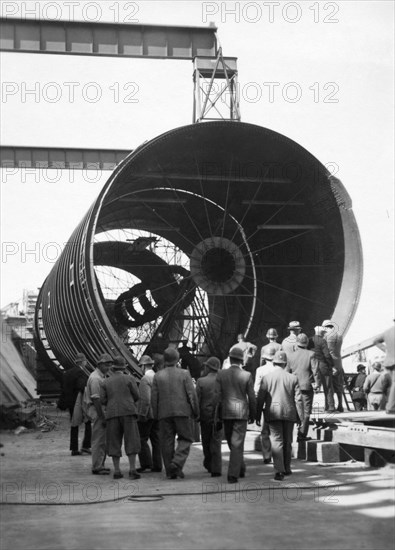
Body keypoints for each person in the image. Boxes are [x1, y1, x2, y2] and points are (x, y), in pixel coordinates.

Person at [151, 347, 199, 479]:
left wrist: (155, 415)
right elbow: (192, 394)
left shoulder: (157, 376)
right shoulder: (184, 374)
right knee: (186, 438)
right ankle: (177, 463)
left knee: (166, 442)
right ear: (177, 359)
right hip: (182, 412)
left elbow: (154, 398)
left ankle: (170, 471)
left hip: (163, 413)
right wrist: (196, 411)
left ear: (164, 359)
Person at [256, 351, 303, 481]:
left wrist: (257, 414)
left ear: (274, 362)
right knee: (288, 441)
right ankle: (287, 468)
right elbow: (298, 400)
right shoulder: (293, 378)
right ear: (285, 363)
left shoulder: (267, 378)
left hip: (273, 413)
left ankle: (279, 470)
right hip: (289, 413)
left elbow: (261, 398)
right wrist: (300, 417)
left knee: (277, 441)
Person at [215, 345, 256, 484]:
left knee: (233, 444)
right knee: (237, 444)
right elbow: (252, 396)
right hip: (241, 412)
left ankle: (233, 473)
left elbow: (217, 396)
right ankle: (238, 469)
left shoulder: (220, 374)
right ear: (241, 360)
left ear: (230, 358)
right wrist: (254, 414)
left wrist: (217, 415)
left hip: (226, 412)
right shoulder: (246, 375)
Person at [101, 356, 141, 480]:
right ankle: (132, 469)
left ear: (113, 367)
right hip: (128, 411)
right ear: (124, 367)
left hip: (112, 413)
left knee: (114, 441)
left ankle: (117, 470)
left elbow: (102, 399)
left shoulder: (105, 381)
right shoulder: (130, 379)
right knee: (131, 440)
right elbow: (137, 395)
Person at [84, 353, 114, 475]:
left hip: (99, 410)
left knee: (102, 440)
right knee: (98, 440)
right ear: (100, 364)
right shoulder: (96, 378)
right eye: (107, 365)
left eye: (110, 365)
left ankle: (100, 464)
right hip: (98, 411)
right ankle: (97, 466)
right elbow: (96, 399)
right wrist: (102, 417)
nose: (109, 367)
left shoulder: (101, 376)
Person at [287, 333, 319, 441]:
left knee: (295, 409)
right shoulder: (311, 354)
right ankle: (302, 435)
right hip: (306, 387)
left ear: (297, 343)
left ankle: (293, 432)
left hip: (293, 386)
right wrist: (317, 384)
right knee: (306, 411)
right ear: (307, 343)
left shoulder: (290, 355)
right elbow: (315, 371)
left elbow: (287, 372)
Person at [196, 357, 223, 477]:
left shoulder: (201, 381)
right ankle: (216, 468)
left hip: (205, 416)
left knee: (206, 441)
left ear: (208, 367)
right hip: (219, 416)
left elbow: (197, 400)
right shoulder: (223, 380)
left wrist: (196, 415)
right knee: (216, 442)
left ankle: (209, 463)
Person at [61, 352, 91, 456]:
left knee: (74, 424)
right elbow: (81, 386)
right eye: (85, 361)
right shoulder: (81, 372)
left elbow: (63, 388)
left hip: (70, 402)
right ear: (83, 362)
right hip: (79, 401)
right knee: (88, 421)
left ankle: (74, 449)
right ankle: (86, 446)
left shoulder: (67, 373)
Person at [136, 355, 162, 473]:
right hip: (158, 414)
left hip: (147, 414)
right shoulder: (158, 377)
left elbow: (145, 399)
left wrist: (141, 414)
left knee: (141, 439)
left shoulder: (145, 379)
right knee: (156, 439)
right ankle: (157, 465)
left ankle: (146, 464)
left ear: (143, 366)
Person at [254, 346, 277, 464]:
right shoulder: (280, 370)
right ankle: (278, 455)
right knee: (277, 432)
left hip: (265, 405)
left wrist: (256, 410)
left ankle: (267, 455)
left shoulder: (260, 370)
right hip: (278, 404)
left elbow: (257, 389)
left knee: (265, 431)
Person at [308, 326, 335, 413]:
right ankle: (330, 407)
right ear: (321, 333)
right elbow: (327, 355)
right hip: (322, 365)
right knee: (328, 386)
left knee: (311, 387)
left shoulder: (309, 340)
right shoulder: (322, 341)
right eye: (323, 332)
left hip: (312, 365)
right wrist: (331, 365)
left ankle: (309, 408)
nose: (324, 334)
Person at [323, 320, 345, 412]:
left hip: (330, 365)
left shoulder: (325, 336)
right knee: (339, 386)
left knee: (328, 386)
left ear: (325, 327)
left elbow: (327, 352)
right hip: (339, 363)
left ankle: (328, 406)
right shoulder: (339, 335)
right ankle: (340, 405)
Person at [374, 324, 395, 414]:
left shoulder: (388, 331)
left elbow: (375, 341)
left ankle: (391, 406)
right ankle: (391, 407)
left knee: (393, 383)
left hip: (388, 361)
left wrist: (386, 349)